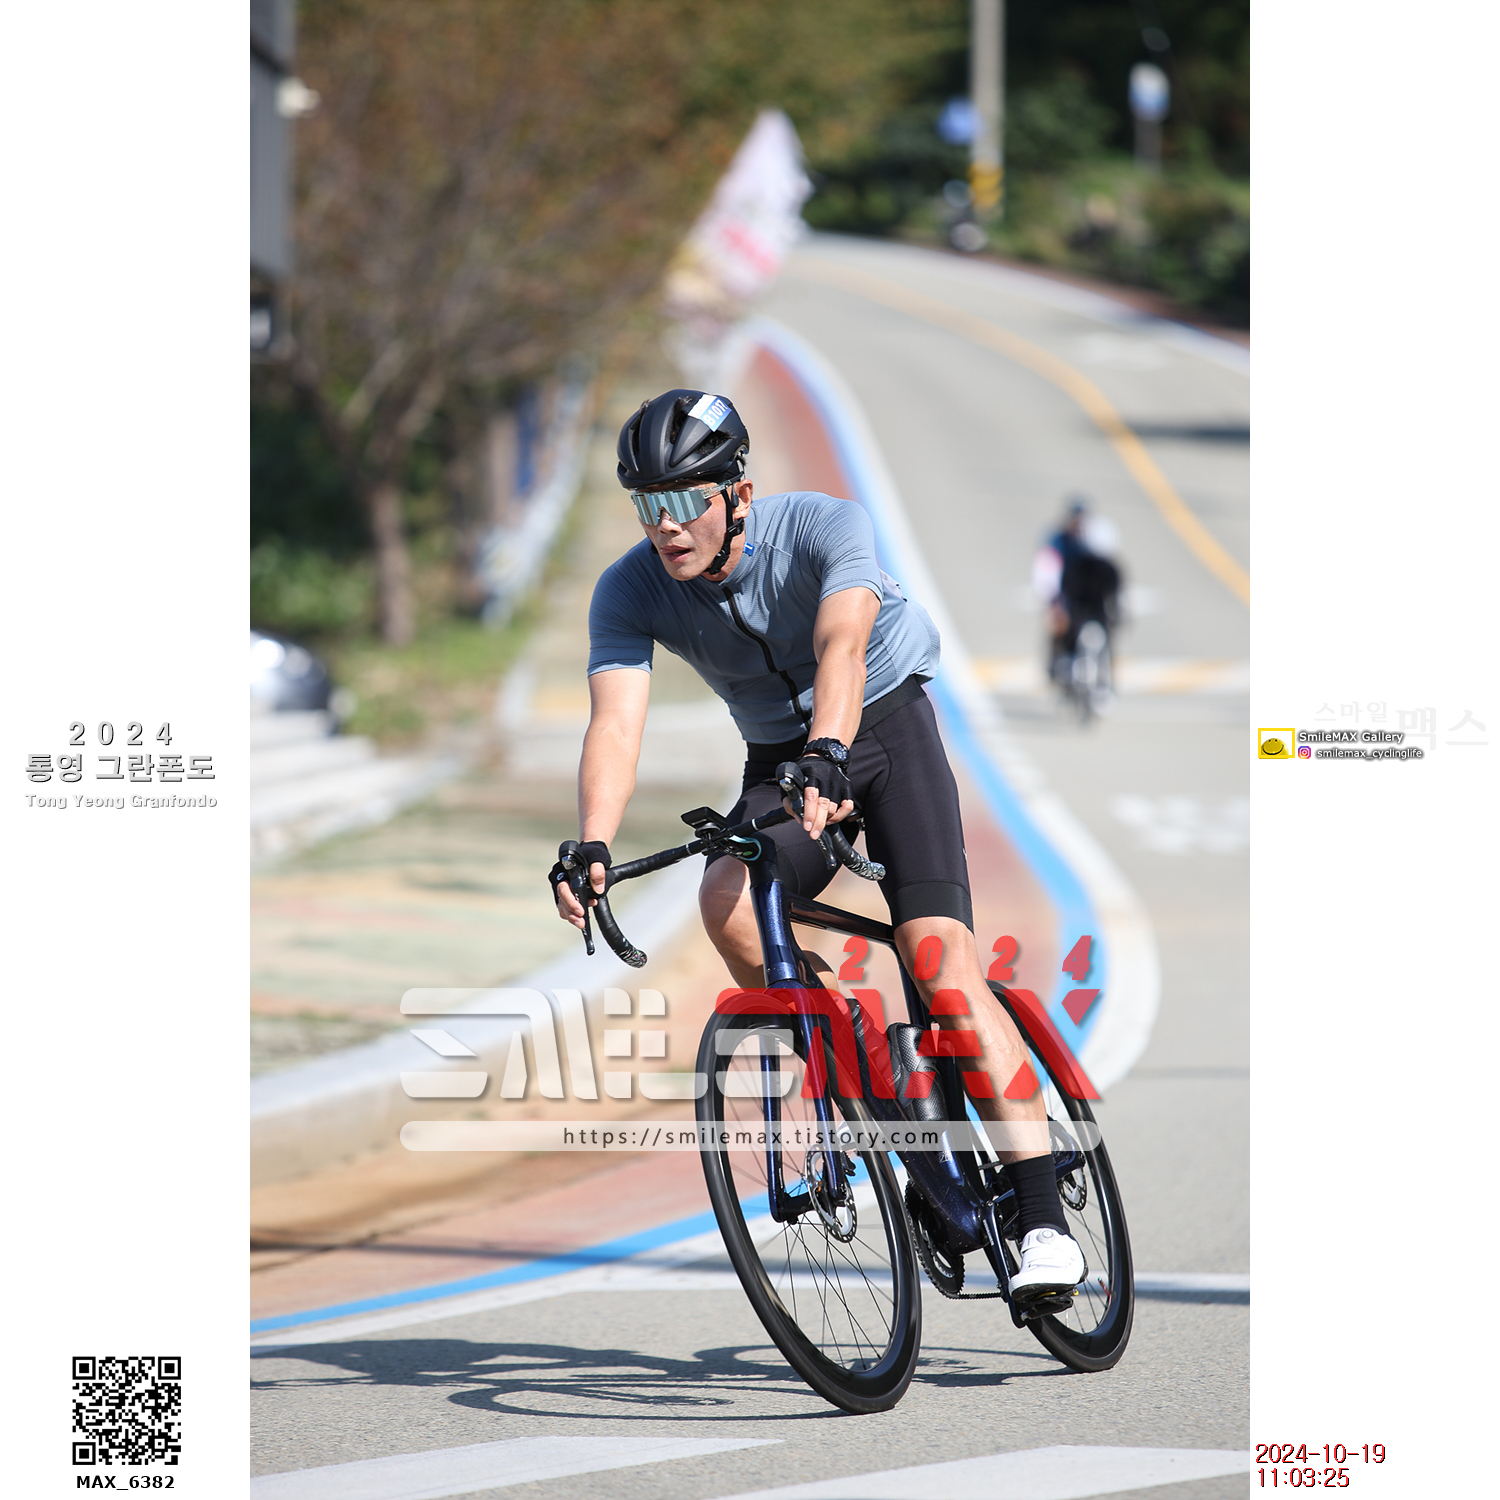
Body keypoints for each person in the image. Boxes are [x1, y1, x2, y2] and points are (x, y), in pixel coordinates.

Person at [551, 388, 1084, 1305]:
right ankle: (874, 1079)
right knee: (726, 900)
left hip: (882, 729)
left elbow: (842, 645)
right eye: (647, 504)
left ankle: (1044, 1223)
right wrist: (591, 841)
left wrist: (831, 753)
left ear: (739, 494)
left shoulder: (825, 526)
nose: (665, 525)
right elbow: (616, 726)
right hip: (780, 761)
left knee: (939, 962)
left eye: (685, 501)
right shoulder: (630, 588)